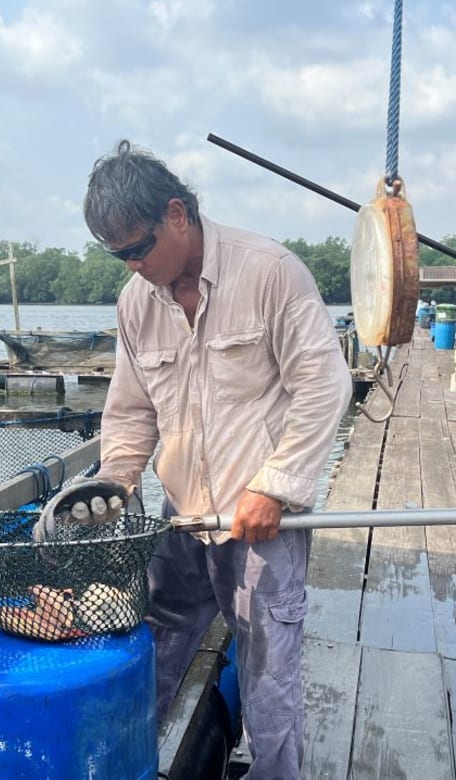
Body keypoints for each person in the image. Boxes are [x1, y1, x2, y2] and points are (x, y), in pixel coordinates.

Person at [83, 140, 351, 779]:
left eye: (137, 248)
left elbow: (324, 385)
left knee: (269, 669)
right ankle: (128, 765)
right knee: (154, 643)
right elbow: (131, 411)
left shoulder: (271, 272)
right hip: (183, 516)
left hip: (260, 520)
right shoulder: (135, 303)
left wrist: (275, 486)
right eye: (117, 256)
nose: (131, 266)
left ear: (177, 214)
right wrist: (116, 478)